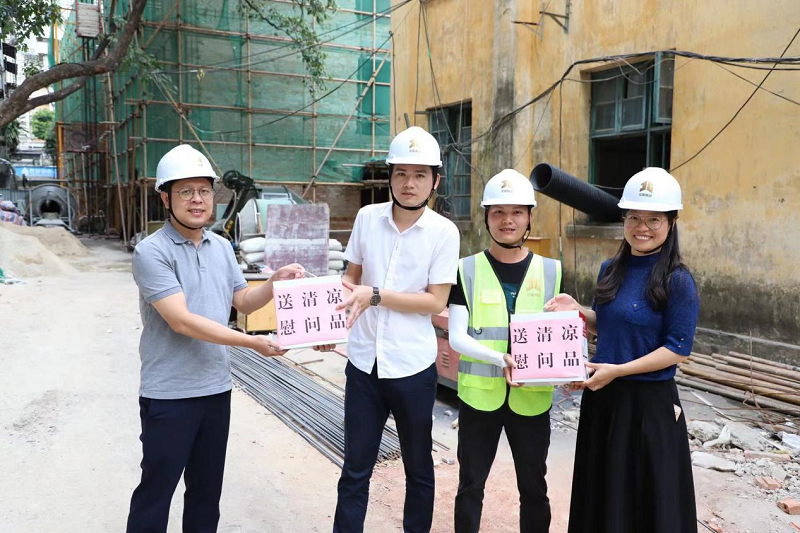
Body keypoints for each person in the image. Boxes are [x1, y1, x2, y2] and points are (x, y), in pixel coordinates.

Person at [127, 144, 305, 533]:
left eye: (204, 191)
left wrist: (274, 282)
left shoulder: (221, 247)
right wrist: (252, 343)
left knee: (206, 494)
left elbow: (243, 301)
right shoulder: (151, 252)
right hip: (170, 394)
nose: (197, 200)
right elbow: (182, 322)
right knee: (156, 493)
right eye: (185, 191)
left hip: (215, 389)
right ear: (165, 198)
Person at [314, 126, 460, 533]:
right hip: (364, 364)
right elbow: (351, 279)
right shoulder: (367, 218)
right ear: (390, 177)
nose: (409, 183)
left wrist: (376, 295)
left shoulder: (444, 232)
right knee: (355, 467)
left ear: (435, 181)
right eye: (401, 173)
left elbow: (435, 302)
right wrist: (327, 325)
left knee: (418, 467)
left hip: (412, 367)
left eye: (419, 175)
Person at [546, 167, 699, 533]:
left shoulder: (678, 281)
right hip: (604, 400)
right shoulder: (610, 269)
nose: (641, 227)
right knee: (603, 494)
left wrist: (617, 370)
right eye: (633, 217)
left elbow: (678, 349)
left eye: (653, 219)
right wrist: (579, 311)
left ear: (671, 223)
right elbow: (610, 324)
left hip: (649, 406)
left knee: (647, 501)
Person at [447, 169, 561, 533]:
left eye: (516, 212)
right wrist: (500, 359)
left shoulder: (551, 271)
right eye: (498, 212)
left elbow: (563, 334)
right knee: (470, 485)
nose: (507, 220)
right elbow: (456, 337)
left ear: (529, 217)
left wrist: (572, 368)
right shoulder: (466, 270)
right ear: (486, 217)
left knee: (534, 487)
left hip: (532, 398)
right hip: (480, 397)